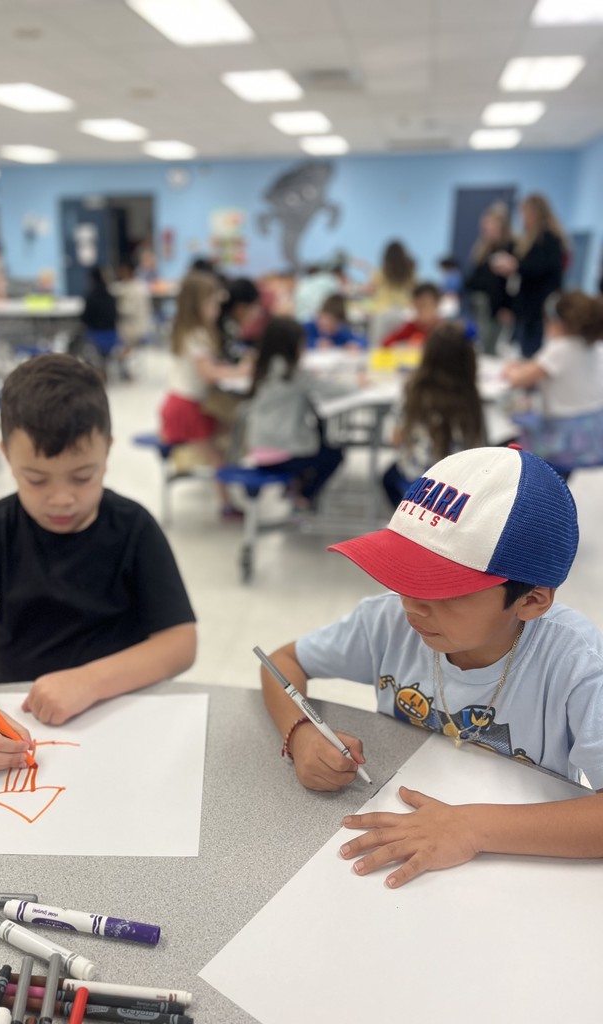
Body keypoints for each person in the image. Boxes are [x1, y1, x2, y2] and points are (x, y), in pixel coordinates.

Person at [260, 444, 603, 887]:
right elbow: (280, 663)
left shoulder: (578, 662)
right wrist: (301, 732)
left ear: (531, 601)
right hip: (395, 854)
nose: (412, 607)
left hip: (521, 872)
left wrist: (472, 828)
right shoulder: (387, 621)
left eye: (443, 589)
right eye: (403, 575)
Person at [0, 354, 197, 771]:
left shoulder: (134, 528)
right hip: (18, 716)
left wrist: (90, 681)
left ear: (107, 451)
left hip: (121, 712)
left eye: (82, 476)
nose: (60, 498)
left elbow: (180, 643)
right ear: (6, 457)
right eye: (35, 479)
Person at [159, 271, 253, 517]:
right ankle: (226, 504)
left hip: (183, 404)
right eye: (213, 304)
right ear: (199, 304)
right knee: (218, 455)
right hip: (186, 409)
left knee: (231, 434)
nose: (217, 310)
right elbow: (209, 374)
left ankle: (230, 482)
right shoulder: (198, 335)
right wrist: (241, 371)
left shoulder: (186, 331)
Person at [244, 316, 346, 512]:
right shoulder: (293, 373)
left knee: (316, 440)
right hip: (282, 455)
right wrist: (360, 383)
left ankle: (294, 488)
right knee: (334, 454)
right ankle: (304, 497)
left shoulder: (260, 368)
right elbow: (330, 388)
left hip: (257, 449)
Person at [382, 322, 486, 506]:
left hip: (418, 484)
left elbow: (395, 438)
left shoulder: (414, 391)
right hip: (461, 489)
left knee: (388, 477)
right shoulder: (472, 396)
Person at [502, 291, 603, 479]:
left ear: (557, 322)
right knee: (560, 480)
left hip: (561, 436)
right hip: (588, 434)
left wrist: (511, 370)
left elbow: (520, 378)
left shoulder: (561, 348)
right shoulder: (595, 346)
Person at [490, 193, 566, 358]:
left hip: (537, 306)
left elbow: (543, 268)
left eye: (525, 213)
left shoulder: (548, 239)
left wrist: (515, 266)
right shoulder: (532, 238)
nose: (523, 218)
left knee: (531, 351)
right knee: (524, 349)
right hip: (527, 306)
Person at [465, 202, 515, 356]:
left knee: (492, 349)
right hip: (480, 306)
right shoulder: (482, 249)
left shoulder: (510, 248)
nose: (486, 229)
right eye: (485, 225)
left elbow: (511, 284)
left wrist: (508, 307)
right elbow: (475, 278)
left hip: (498, 308)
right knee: (481, 346)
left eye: (490, 224)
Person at [380, 282, 441, 347]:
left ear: (436, 305)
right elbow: (385, 343)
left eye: (425, 306)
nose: (422, 312)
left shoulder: (443, 330)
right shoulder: (410, 328)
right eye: (418, 307)